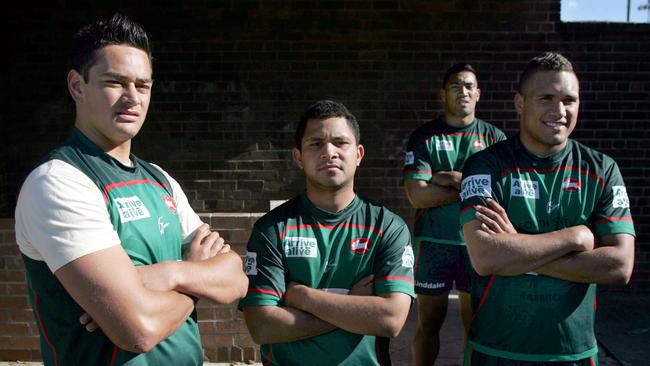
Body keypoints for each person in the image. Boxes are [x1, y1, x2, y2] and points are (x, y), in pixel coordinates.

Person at [14, 13, 248, 365]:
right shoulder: (59, 181)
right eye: (115, 82)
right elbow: (138, 329)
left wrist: (169, 274)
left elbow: (235, 278)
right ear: (77, 86)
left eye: (143, 85)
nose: (132, 98)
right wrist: (195, 282)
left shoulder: (160, 179)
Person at [459, 52, 635, 365]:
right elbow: (485, 257)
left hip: (575, 353)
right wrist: (574, 238)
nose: (559, 110)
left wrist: (518, 250)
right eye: (546, 98)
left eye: (569, 99)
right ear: (520, 103)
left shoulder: (602, 170)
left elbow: (620, 266)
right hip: (497, 350)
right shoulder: (485, 166)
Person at [239, 100, 415, 365]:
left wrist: (304, 297)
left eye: (340, 142)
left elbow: (390, 319)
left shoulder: (388, 227)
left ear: (358, 154)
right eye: (316, 143)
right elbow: (262, 326)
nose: (329, 152)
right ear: (298, 157)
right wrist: (352, 306)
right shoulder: (272, 229)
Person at [403, 62, 506, 365]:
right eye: (456, 86)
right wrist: (471, 187)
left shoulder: (495, 138)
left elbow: (497, 195)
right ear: (443, 94)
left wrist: (446, 178)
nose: (463, 92)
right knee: (428, 322)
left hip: (479, 243)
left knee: (476, 325)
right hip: (434, 243)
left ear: (478, 94)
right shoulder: (424, 137)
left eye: (469, 86)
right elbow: (416, 194)